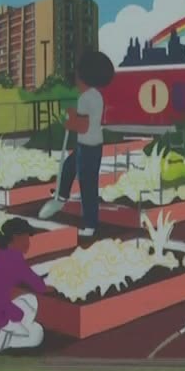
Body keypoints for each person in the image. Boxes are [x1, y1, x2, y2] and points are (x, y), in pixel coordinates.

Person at [38, 50, 115, 239]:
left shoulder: (87, 98)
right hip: (88, 144)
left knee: (88, 185)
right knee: (68, 167)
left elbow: (82, 125)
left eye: (78, 78)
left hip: (88, 147)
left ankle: (90, 225)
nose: (77, 82)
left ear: (84, 78)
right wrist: (74, 116)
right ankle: (61, 196)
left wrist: (69, 121)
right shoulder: (94, 95)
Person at [0, 217, 49, 354]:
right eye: (26, 239)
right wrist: (16, 314)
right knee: (37, 333)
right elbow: (37, 284)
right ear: (15, 238)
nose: (28, 243)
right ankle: (3, 341)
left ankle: (6, 335)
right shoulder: (15, 259)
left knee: (30, 301)